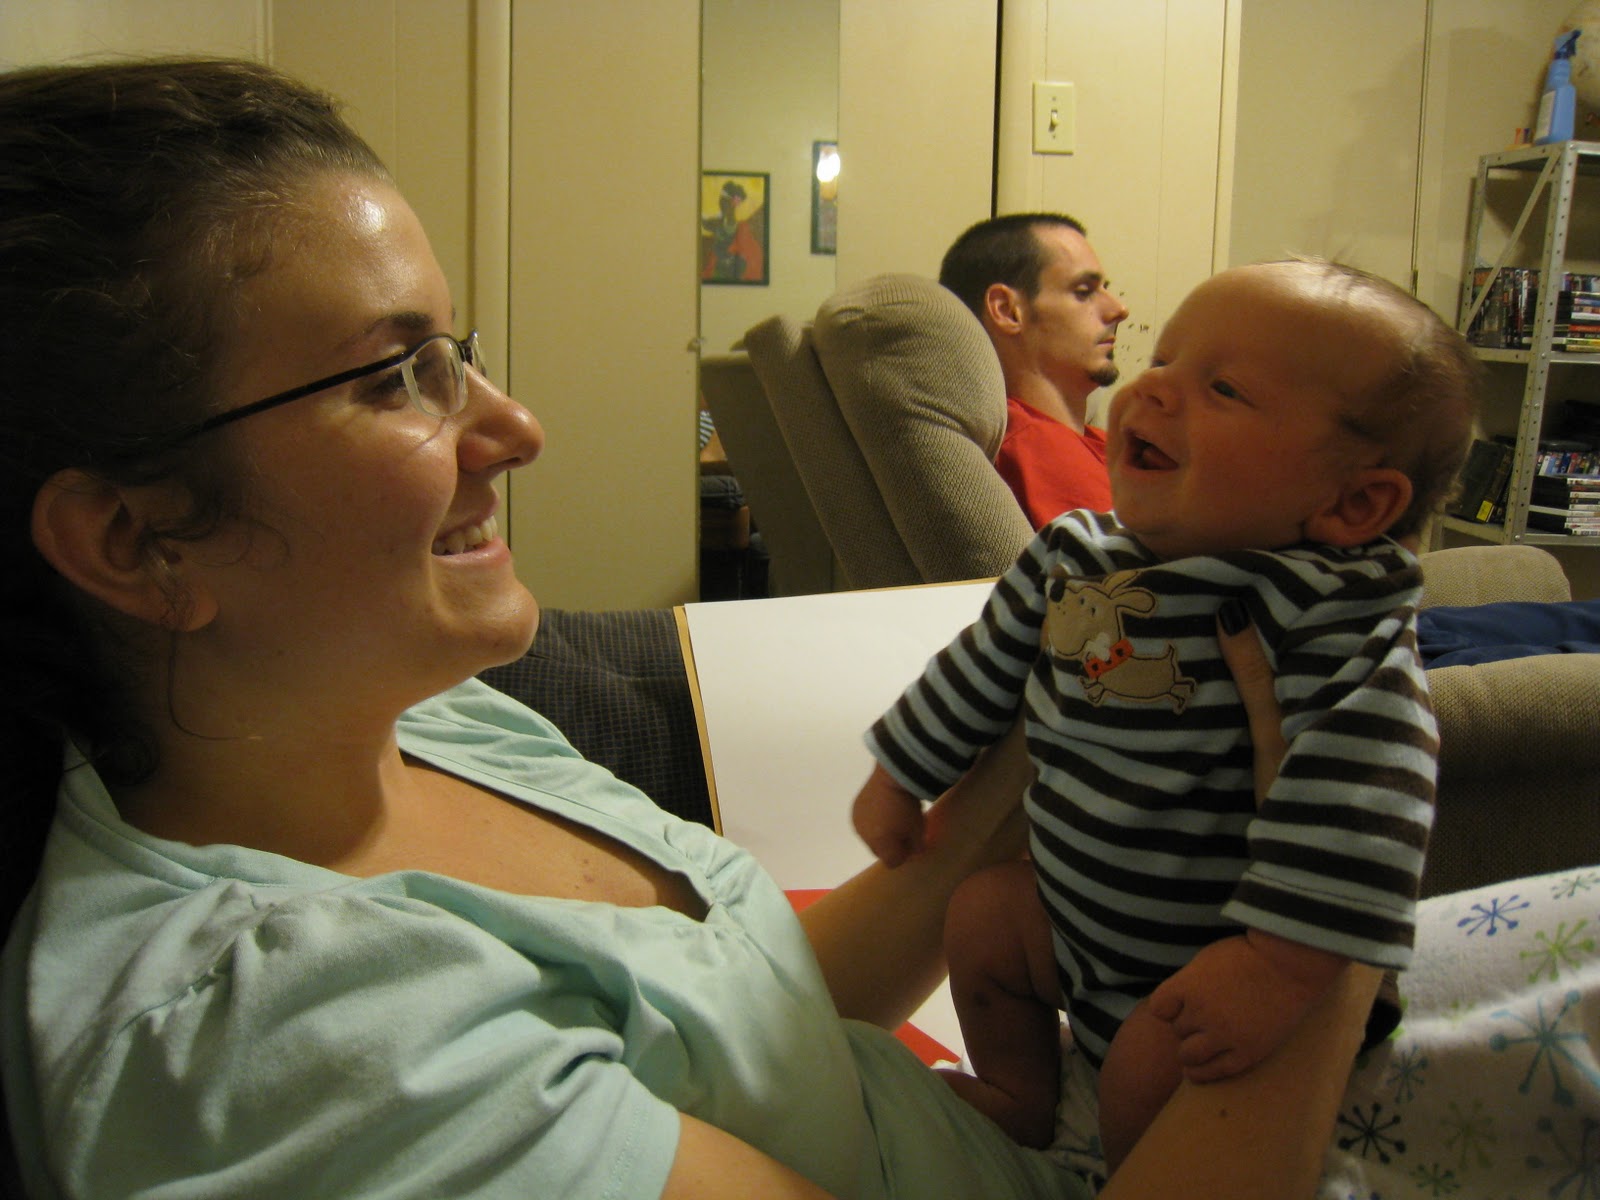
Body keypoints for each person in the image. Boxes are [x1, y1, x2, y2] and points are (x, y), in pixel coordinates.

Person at [0, 57, 1385, 1200]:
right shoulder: (304, 1051)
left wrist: (1057, 723)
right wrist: (1319, 925)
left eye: (456, 352)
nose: (515, 425)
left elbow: (751, 1027)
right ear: (132, 539)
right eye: (391, 378)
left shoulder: (421, 718)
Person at [853, 258, 1479, 1172]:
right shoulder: (1073, 552)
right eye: (1165, 360)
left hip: (1219, 964)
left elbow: (1370, 795)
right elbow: (976, 668)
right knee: (984, 913)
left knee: (1151, 1063)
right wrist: (902, 773)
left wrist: (1278, 965)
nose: (1152, 389)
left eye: (1223, 388)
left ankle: (1121, 1166)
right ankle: (1023, 1095)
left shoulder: (1327, 613)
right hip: (1071, 924)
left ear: (1353, 503)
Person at [938, 213, 1128, 527]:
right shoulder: (1038, 448)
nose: (1119, 309)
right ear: (1007, 310)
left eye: (1105, 289)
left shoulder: (1103, 443)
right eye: (1084, 291)